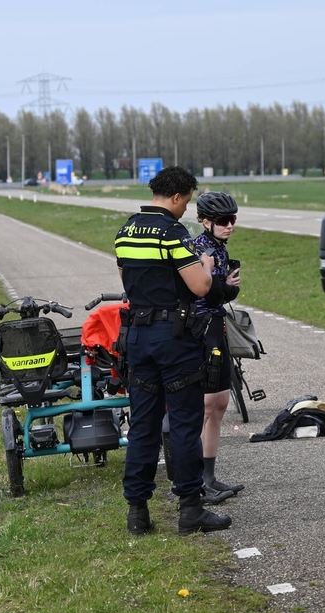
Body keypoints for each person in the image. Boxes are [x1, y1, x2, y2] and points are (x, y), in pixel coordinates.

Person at [114, 166, 232, 536]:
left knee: (143, 424)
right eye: (186, 202)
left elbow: (126, 281)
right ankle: (190, 509)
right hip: (174, 337)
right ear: (178, 196)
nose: (185, 210)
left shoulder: (126, 230)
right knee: (183, 424)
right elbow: (199, 287)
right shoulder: (172, 232)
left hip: (136, 336)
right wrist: (208, 269)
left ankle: (137, 511)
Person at [191, 191, 246, 504]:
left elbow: (219, 293)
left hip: (216, 325)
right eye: (224, 221)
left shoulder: (219, 249)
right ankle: (197, 479)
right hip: (202, 329)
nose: (230, 226)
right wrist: (226, 288)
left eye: (233, 219)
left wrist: (227, 289)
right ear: (205, 221)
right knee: (207, 405)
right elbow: (203, 292)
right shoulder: (199, 249)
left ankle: (210, 476)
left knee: (221, 404)